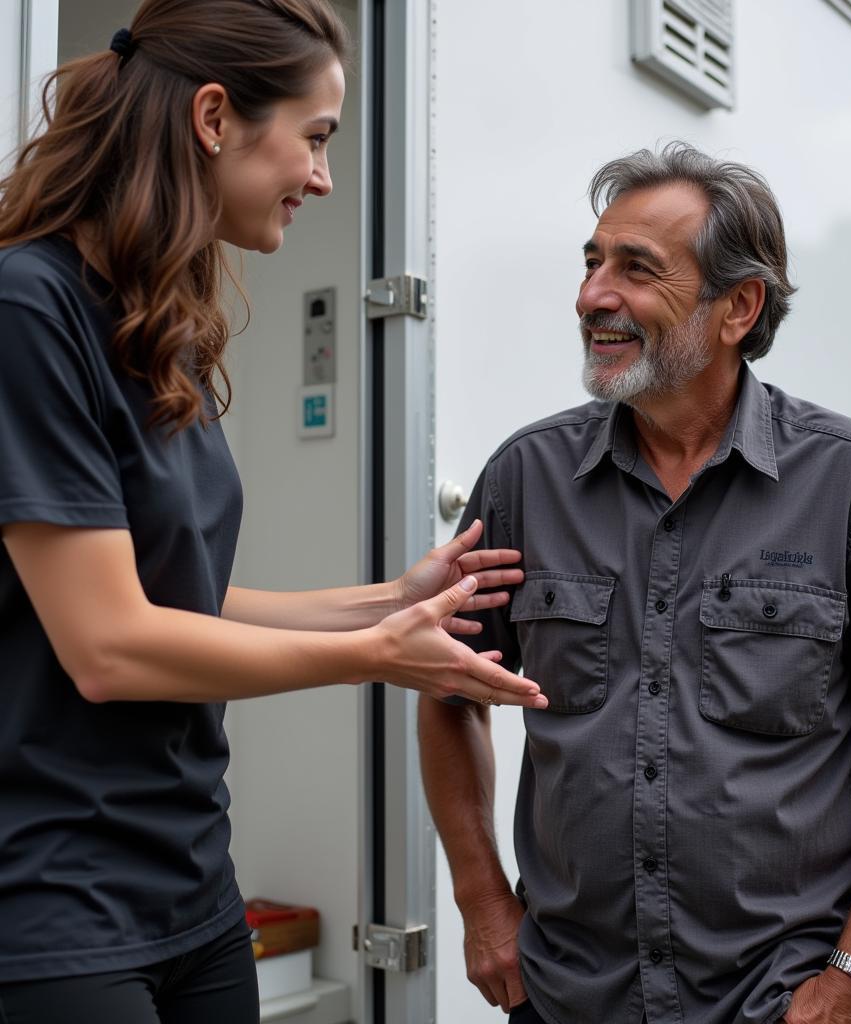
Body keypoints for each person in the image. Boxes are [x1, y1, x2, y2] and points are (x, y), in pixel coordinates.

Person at [0, 2, 547, 1022]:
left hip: (195, 892)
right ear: (214, 118)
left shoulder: (158, 326)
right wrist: (377, 653)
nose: (323, 178)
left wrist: (394, 598)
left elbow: (184, 599)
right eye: (317, 137)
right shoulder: (30, 310)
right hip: (57, 912)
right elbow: (108, 647)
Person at [419, 141, 851, 1024]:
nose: (593, 295)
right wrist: (483, 903)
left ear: (739, 308)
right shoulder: (524, 479)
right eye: (592, 263)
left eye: (636, 269)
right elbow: (449, 695)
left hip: (778, 1002)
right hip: (571, 996)